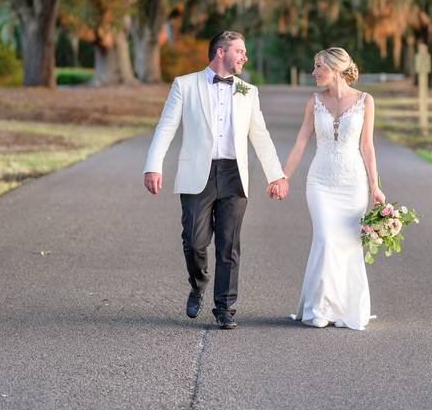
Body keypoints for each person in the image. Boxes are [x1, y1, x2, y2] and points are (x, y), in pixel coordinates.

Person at [143, 30, 289, 330]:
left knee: (229, 244)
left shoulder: (248, 91)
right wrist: (153, 166)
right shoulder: (185, 85)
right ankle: (198, 284)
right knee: (195, 242)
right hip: (198, 172)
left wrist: (276, 174)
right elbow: (166, 127)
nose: (244, 56)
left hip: (235, 174)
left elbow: (260, 135)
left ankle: (225, 308)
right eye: (240, 50)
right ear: (221, 52)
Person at [278, 47, 386, 330]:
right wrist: (283, 176)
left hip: (353, 184)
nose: (313, 73)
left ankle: (344, 309)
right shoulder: (314, 102)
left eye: (318, 67)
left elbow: (367, 146)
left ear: (335, 69)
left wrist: (375, 186)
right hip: (320, 182)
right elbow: (301, 141)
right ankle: (320, 308)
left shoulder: (365, 100)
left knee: (348, 245)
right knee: (326, 239)